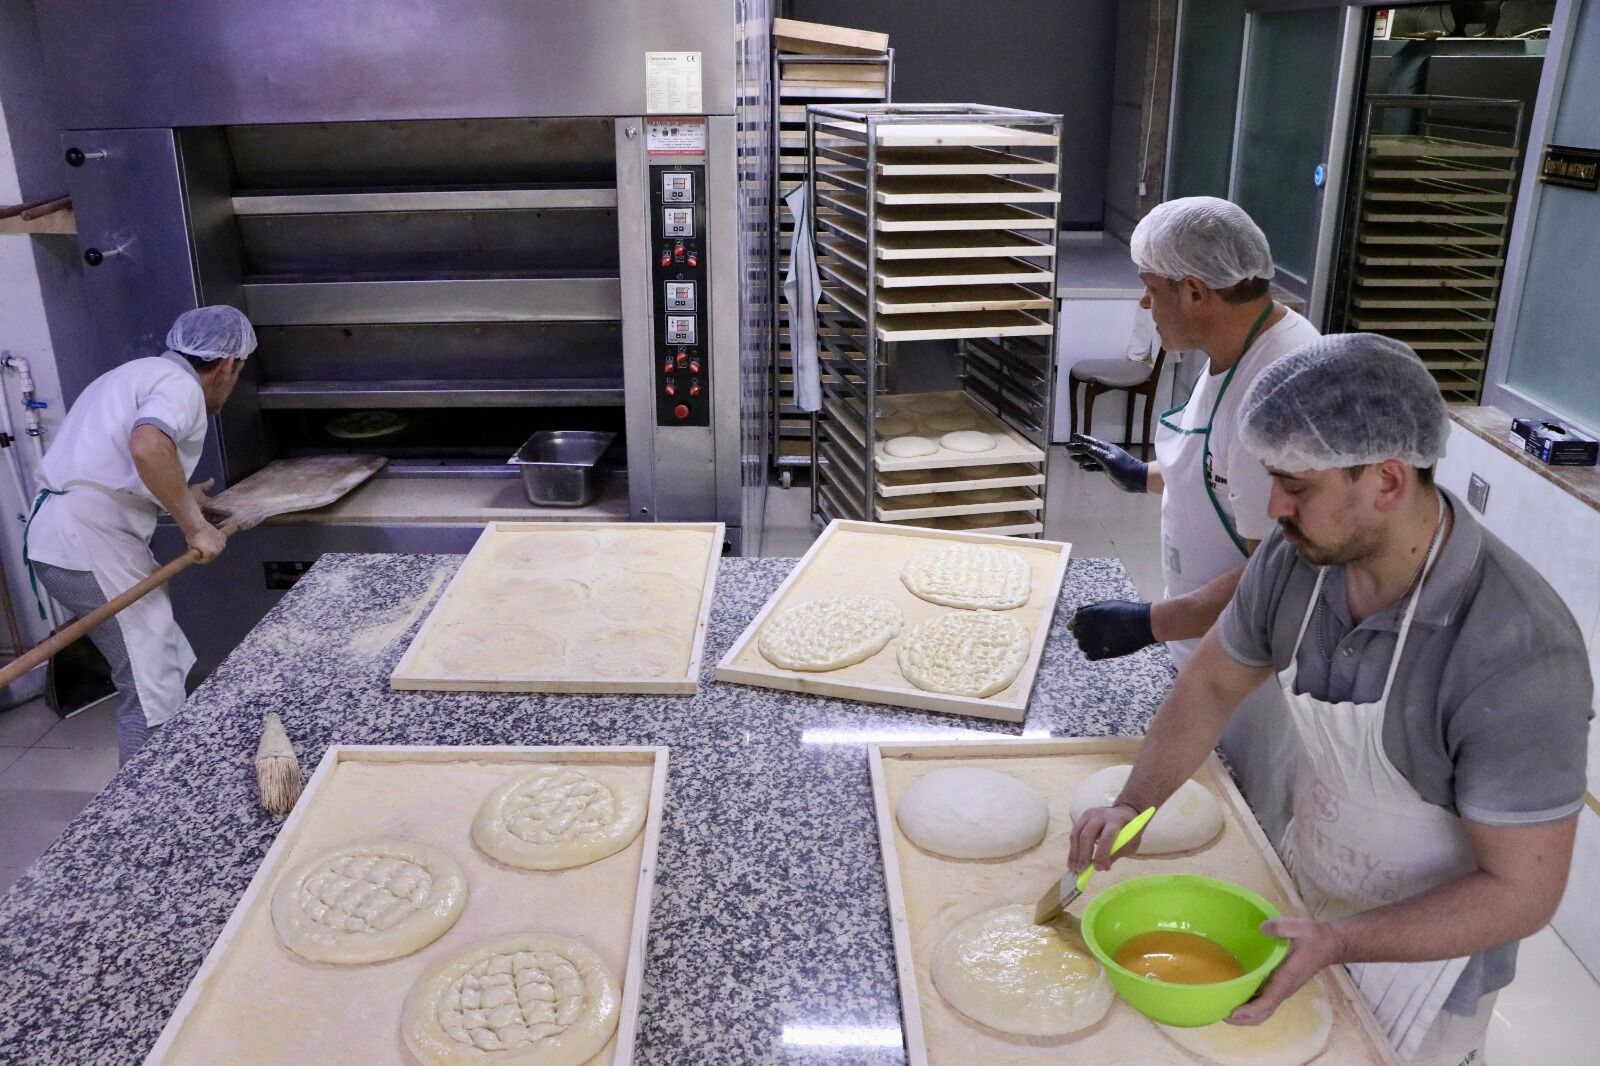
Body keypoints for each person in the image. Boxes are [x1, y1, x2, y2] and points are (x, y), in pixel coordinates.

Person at [1070, 334, 1592, 1066]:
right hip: (1301, 895)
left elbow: (1521, 892)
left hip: (1431, 974)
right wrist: (1134, 803)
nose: (1273, 506)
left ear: (1387, 481)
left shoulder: (1518, 651)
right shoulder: (1297, 561)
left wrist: (1341, 941)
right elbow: (1212, 683)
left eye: (1297, 485)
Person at [1066, 196, 1321, 843]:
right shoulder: (1235, 347)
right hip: (1209, 647)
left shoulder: (1279, 389)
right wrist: (1145, 474)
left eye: (1151, 290)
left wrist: (1151, 622)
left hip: (1256, 678)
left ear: (1196, 292)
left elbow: (1277, 573)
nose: (1145, 305)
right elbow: (1222, 472)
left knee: (1241, 830)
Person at [24, 306, 255, 764]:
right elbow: (148, 446)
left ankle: (167, 778)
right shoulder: (180, 386)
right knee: (152, 686)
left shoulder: (135, 373)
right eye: (238, 371)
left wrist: (181, 494)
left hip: (62, 532)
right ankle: (146, 802)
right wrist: (195, 527)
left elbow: (107, 464)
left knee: (160, 660)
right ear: (228, 363)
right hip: (89, 541)